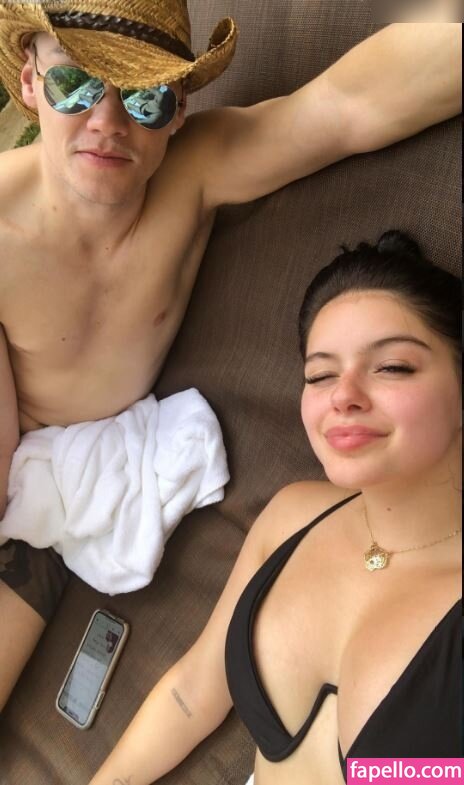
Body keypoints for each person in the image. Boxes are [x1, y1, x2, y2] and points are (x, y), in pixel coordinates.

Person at [0, 0, 461, 712]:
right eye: (76, 82)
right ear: (31, 81)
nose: (108, 122)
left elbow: (345, 109)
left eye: (146, 96)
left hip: (66, 490)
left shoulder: (194, 171)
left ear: (179, 110)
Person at [88, 230, 462, 785]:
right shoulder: (292, 516)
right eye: (320, 375)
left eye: (391, 367)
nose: (342, 395)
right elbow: (190, 694)